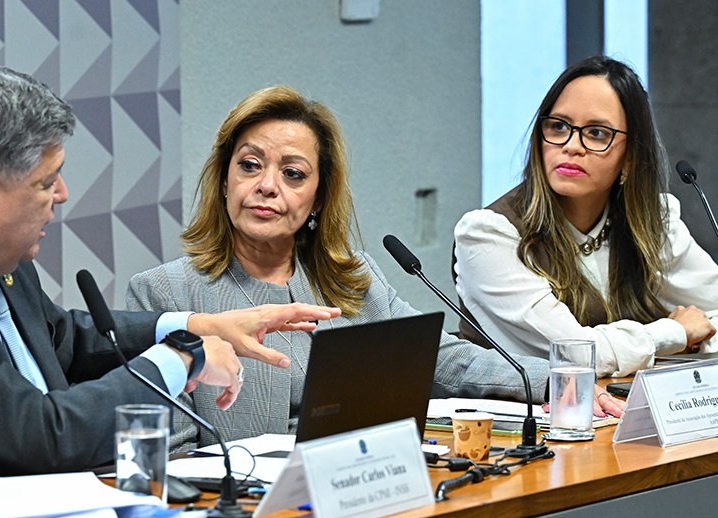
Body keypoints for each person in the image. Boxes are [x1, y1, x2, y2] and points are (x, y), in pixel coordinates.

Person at [0, 63, 339, 476]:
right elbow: (41, 436)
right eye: (47, 181)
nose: (62, 194)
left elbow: (63, 339)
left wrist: (196, 326)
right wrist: (182, 359)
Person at [127, 86, 615, 452]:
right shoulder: (164, 295)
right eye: (249, 165)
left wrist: (558, 379)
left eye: (293, 174)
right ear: (224, 180)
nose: (267, 186)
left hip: (359, 491)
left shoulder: (352, 279)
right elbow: (171, 451)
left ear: (319, 197)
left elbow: (448, 360)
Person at [453, 55, 718, 379]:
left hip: (624, 404)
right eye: (558, 126)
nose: (571, 145)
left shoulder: (652, 222)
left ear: (630, 157)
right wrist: (674, 334)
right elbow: (573, 353)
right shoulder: (489, 235)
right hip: (523, 409)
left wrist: (697, 338)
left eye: (596, 133)